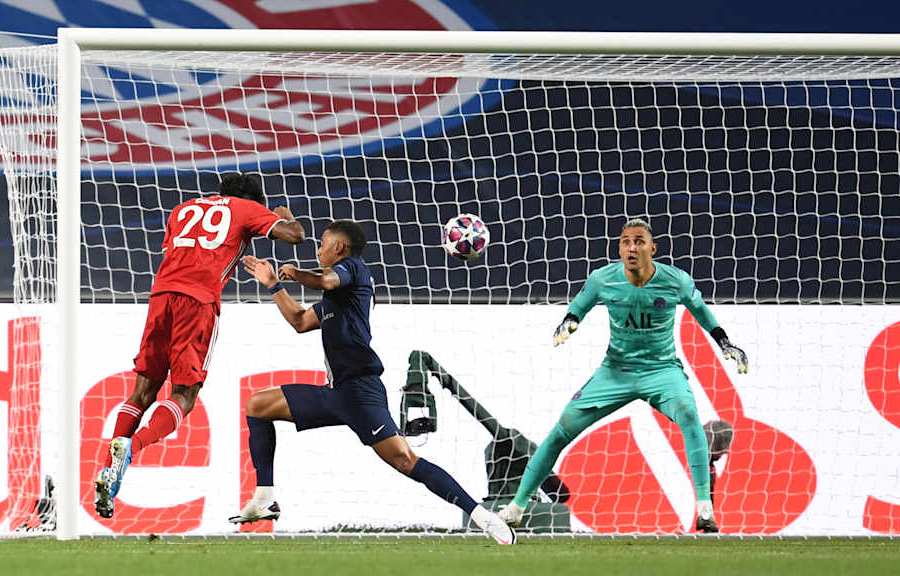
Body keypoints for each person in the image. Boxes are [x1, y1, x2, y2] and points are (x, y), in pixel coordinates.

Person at [235, 220, 516, 545]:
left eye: (323, 243)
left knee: (405, 460)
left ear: (339, 248)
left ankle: (482, 517)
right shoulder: (337, 300)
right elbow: (299, 321)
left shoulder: (353, 269)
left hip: (360, 392)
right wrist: (273, 284)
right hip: (336, 393)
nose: (318, 249)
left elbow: (325, 279)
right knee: (258, 405)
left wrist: (295, 273)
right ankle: (265, 497)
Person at [499, 218, 749, 534]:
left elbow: (701, 312)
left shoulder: (675, 280)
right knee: (561, 430)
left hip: (661, 371)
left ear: (652, 249)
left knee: (689, 416)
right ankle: (516, 507)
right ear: (620, 248)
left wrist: (725, 342)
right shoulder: (603, 279)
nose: (631, 247)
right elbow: (579, 306)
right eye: (625, 242)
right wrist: (569, 322)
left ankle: (704, 508)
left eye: (639, 241)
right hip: (615, 372)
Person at [94, 173, 305, 519]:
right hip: (198, 302)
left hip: (160, 297)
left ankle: (108, 469)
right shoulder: (245, 209)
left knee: (142, 392)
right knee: (184, 395)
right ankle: (133, 447)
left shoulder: (182, 209)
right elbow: (295, 236)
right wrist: (283, 216)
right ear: (254, 201)